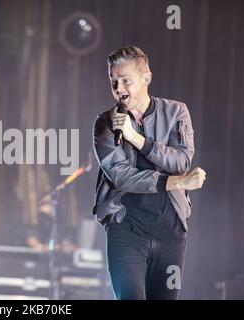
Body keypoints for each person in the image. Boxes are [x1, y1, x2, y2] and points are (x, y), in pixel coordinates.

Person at [92, 46, 206, 300]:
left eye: (125, 80)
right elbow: (119, 176)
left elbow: (182, 160)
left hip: (170, 233)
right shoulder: (105, 122)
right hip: (126, 230)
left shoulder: (177, 112)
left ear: (147, 78)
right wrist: (176, 182)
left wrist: (138, 139)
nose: (119, 87)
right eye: (114, 81)